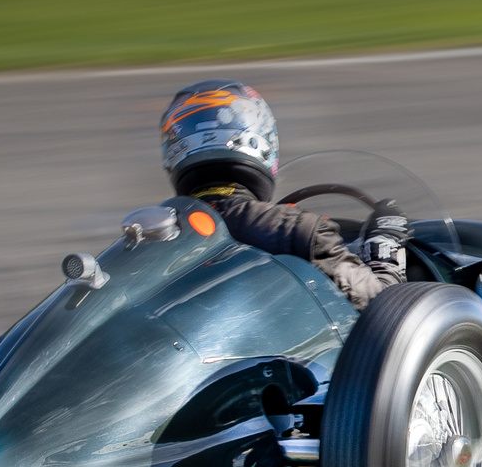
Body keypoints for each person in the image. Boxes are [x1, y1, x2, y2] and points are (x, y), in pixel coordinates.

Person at [160, 79, 406, 308]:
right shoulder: (299, 232)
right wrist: (383, 248)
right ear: (264, 146)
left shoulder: (155, 235)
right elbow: (380, 305)